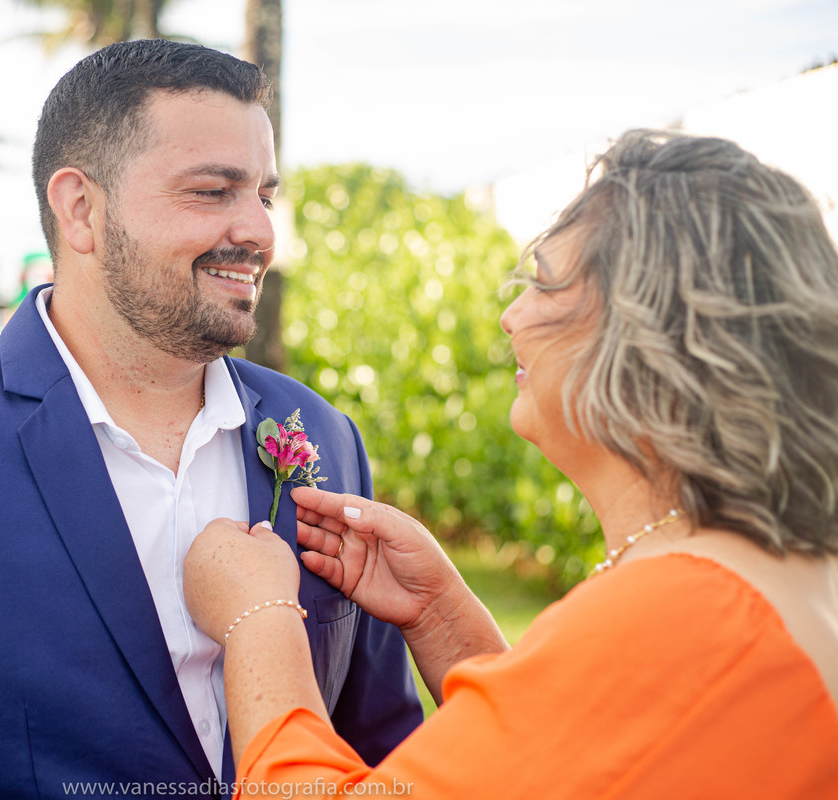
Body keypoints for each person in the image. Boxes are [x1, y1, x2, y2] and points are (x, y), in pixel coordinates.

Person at [0, 40, 422, 798]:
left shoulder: (322, 437)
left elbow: (385, 753)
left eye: (264, 193)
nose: (257, 230)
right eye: (213, 192)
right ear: (81, 209)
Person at [184, 129, 838, 798]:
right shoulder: (782, 575)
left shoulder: (684, 613)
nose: (510, 316)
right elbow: (599, 763)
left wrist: (259, 616)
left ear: (651, 336)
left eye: (545, 284)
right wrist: (442, 619)